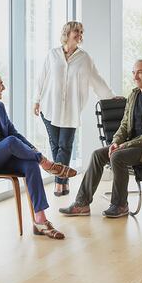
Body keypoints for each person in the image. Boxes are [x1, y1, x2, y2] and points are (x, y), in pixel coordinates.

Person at [0, 71, 78, 240]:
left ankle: (40, 221)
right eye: (0, 84)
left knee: (30, 164)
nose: (4, 87)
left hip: (6, 156)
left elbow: (13, 133)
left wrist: (34, 151)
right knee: (9, 142)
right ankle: (48, 165)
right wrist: (2, 143)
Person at [59, 60, 142, 218]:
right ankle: (82, 203)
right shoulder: (134, 95)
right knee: (97, 154)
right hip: (131, 147)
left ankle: (120, 205)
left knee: (118, 156)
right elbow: (125, 124)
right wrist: (115, 142)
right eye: (133, 72)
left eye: (139, 72)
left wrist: (125, 145)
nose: (135, 76)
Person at [34, 21, 115, 197]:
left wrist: (110, 96)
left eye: (81, 32)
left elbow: (96, 79)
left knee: (65, 145)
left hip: (70, 110)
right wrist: (36, 100)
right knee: (55, 145)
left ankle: (59, 183)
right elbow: (42, 78)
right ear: (67, 33)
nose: (79, 34)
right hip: (49, 106)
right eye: (76, 31)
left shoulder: (84, 58)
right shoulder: (53, 55)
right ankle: (63, 181)